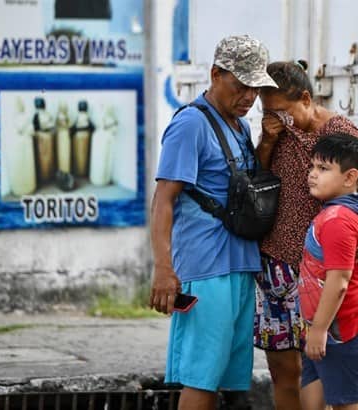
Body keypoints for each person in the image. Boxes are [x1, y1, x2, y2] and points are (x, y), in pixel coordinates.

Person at [149, 35, 278, 410]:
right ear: (216, 74)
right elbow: (163, 200)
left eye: (255, 88)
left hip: (241, 265)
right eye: (241, 85)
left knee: (230, 381)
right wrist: (163, 268)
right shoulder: (190, 124)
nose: (249, 97)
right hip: (207, 269)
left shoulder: (239, 126)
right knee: (202, 380)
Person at [254, 61, 358, 409]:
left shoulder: (339, 132)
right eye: (267, 112)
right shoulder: (275, 132)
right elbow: (257, 180)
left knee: (327, 370)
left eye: (281, 112)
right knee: (287, 372)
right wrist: (268, 139)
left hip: (319, 272)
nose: (275, 119)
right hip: (278, 265)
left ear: (304, 98)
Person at [299, 133, 358, 410]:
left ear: (349, 178)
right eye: (312, 167)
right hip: (322, 331)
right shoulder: (335, 213)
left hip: (343, 332)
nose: (312, 174)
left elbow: (340, 281)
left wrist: (319, 330)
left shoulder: (337, 219)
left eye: (323, 169)